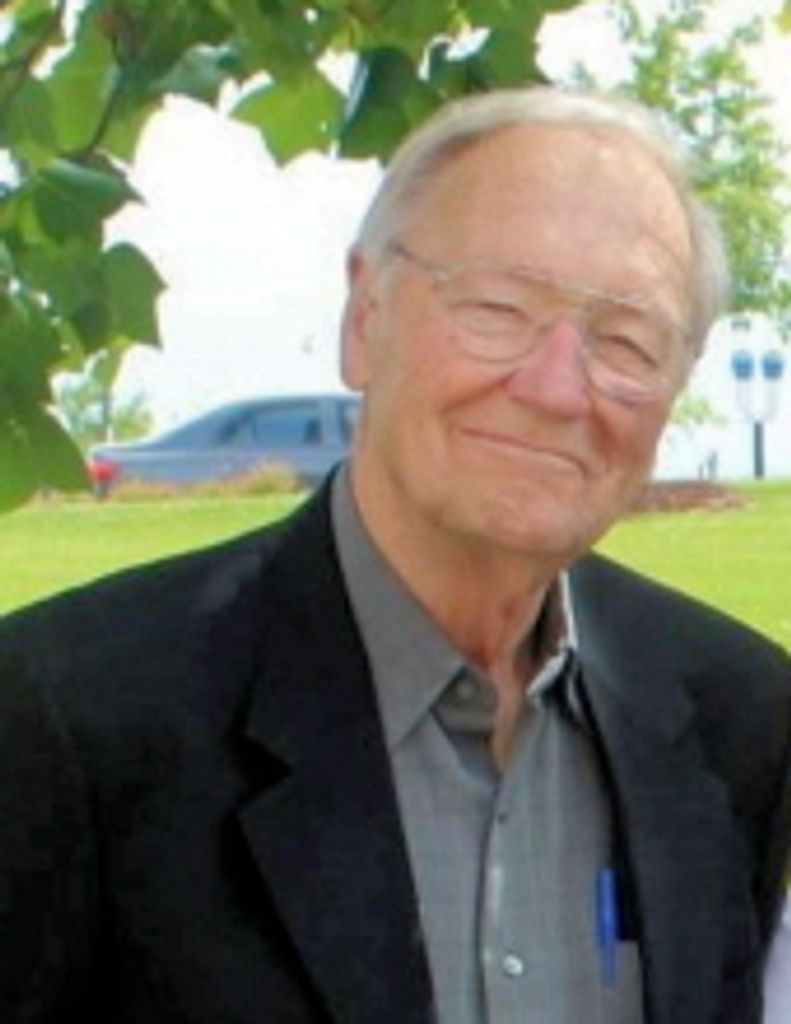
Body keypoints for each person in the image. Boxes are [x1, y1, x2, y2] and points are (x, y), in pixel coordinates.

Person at [1, 86, 790, 1024]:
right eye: (497, 308)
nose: (554, 388)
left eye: (625, 341)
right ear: (363, 318)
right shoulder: (66, 718)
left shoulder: (738, 718)